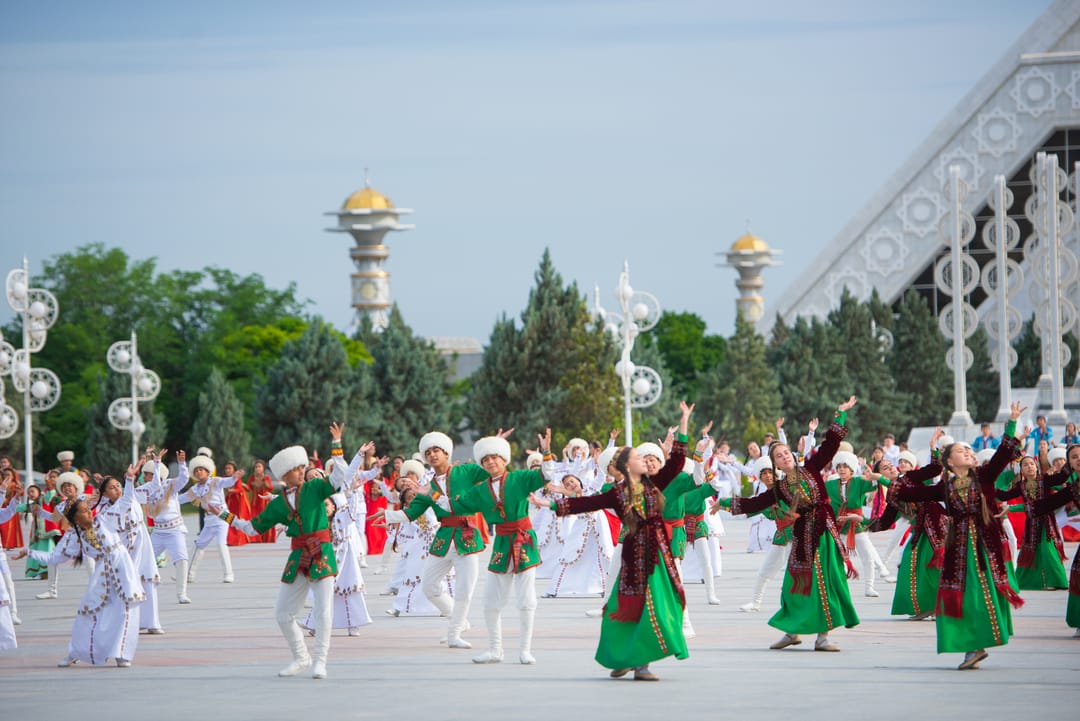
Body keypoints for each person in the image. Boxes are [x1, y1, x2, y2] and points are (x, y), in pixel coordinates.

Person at [549, 402, 695, 681]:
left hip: (658, 555)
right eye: (639, 457)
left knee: (656, 606)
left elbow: (677, 460)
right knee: (624, 608)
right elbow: (586, 503)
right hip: (633, 555)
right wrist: (551, 504)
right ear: (627, 466)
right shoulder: (616, 493)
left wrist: (684, 421)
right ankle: (626, 658)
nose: (645, 461)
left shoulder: (653, 484)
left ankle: (641, 663)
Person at [214, 425, 362, 679]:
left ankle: (320, 661)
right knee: (282, 613)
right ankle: (301, 657)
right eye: (296, 469)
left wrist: (337, 444)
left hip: (322, 552)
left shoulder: (316, 488)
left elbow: (340, 478)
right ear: (285, 474)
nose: (302, 471)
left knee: (323, 610)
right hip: (298, 556)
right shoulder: (279, 503)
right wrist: (225, 515)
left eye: (303, 467)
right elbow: (252, 528)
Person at [716, 396, 861, 653]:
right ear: (775, 464)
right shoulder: (780, 488)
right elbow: (753, 503)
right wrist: (724, 503)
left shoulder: (811, 467)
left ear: (791, 454)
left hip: (824, 533)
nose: (784, 457)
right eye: (778, 457)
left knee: (825, 582)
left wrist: (840, 413)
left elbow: (831, 444)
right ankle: (792, 632)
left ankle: (822, 638)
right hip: (803, 537)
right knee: (794, 585)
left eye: (785, 453)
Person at [891, 402, 1025, 670]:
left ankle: (976, 646)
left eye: (969, 450)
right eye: (962, 451)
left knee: (979, 595)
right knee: (957, 597)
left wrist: (1011, 422)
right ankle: (972, 647)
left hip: (984, 548)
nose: (968, 453)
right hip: (957, 551)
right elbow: (906, 491)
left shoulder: (984, 476)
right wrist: (907, 472)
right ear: (950, 461)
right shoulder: (944, 487)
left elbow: (1002, 454)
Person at [451, 430, 555, 665]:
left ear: (504, 459)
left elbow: (546, 475)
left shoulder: (520, 478)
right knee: (490, 601)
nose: (490, 462)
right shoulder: (479, 490)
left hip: (524, 539)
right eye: (485, 459)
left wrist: (547, 452)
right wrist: (431, 492)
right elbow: (455, 505)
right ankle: (495, 650)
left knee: (526, 599)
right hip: (501, 542)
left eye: (494, 457)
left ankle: (525, 650)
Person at [27, 490, 146, 667]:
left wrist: (129, 480)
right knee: (87, 613)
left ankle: (122, 654)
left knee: (126, 611)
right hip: (102, 576)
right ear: (75, 518)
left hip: (124, 571)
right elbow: (54, 558)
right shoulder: (75, 537)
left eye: (88, 509)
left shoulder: (105, 519)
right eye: (84, 511)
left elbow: (125, 502)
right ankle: (75, 652)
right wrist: (29, 553)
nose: (89, 512)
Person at [867, 458, 947, 620]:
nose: (891, 468)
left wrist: (934, 450)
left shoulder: (910, 477)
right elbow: (885, 521)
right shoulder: (892, 495)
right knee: (909, 566)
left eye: (891, 465)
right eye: (885, 468)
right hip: (921, 531)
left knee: (935, 565)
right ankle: (926, 606)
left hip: (936, 525)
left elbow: (935, 469)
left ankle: (939, 607)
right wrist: (862, 523)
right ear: (880, 474)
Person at [1029, 444, 1080, 637]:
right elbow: (1045, 504)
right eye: (1074, 457)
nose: (1079, 459)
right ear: (1070, 464)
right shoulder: (1072, 488)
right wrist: (1010, 508)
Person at [999, 455, 1069, 590]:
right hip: (1031, 523)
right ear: (1021, 470)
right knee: (1030, 551)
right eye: (1025, 465)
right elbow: (1004, 496)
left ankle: (1058, 581)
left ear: (1036, 467)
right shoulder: (1021, 486)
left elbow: (1062, 478)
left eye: (1031, 464)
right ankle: (1025, 582)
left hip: (1046, 523)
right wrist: (988, 489)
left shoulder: (1045, 480)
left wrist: (1069, 461)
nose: (1029, 466)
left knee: (1047, 550)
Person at [180, 454, 244, 584]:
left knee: (221, 544)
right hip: (209, 521)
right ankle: (189, 575)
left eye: (201, 470)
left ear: (207, 471)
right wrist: (165, 498)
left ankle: (229, 574)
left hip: (222, 518)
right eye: (196, 471)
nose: (198, 472)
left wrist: (234, 477)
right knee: (198, 545)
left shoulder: (215, 481)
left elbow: (228, 482)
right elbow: (181, 499)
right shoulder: (195, 489)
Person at [246, 459, 277, 543]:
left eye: (259, 467)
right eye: (256, 467)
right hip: (255, 503)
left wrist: (265, 483)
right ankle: (255, 538)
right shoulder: (252, 478)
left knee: (265, 519)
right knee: (255, 520)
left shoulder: (266, 477)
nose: (257, 468)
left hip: (265, 502)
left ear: (263, 468)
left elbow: (271, 488)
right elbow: (248, 488)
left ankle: (267, 538)